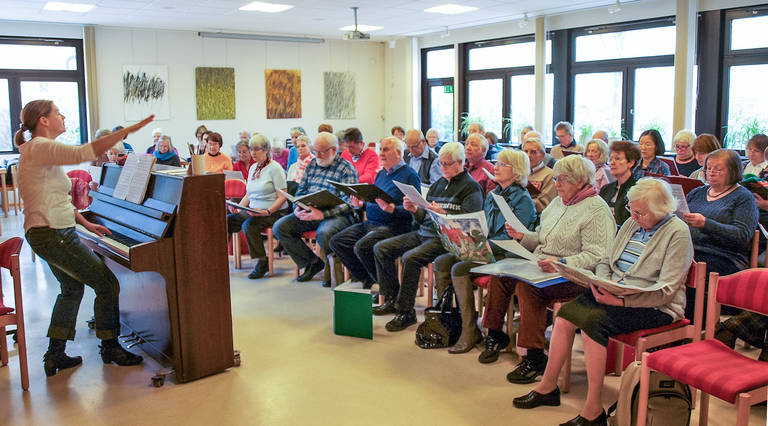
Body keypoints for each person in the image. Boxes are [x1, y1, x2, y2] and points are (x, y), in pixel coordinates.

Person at [513, 178, 693, 426]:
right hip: (614, 292)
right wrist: (603, 283)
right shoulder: (631, 223)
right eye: (632, 210)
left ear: (661, 210)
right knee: (565, 314)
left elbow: (667, 290)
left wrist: (621, 302)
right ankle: (548, 386)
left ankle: (593, 409)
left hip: (653, 305)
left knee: (592, 324)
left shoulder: (678, 233)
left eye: (640, 212)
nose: (634, 217)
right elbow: (607, 260)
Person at [15, 100, 152, 376]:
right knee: (107, 284)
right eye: (57, 112)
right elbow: (83, 153)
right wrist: (127, 131)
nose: (62, 116)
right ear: (43, 120)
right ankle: (110, 347)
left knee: (72, 288)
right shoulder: (40, 146)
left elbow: (57, 199)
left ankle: (55, 354)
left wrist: (87, 223)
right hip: (53, 233)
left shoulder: (37, 151)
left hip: (48, 231)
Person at [481, 155, 615, 376]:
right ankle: (495, 334)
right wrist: (523, 237)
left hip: (575, 274)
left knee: (529, 288)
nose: (557, 184)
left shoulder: (596, 209)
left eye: (563, 179)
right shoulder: (557, 202)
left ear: (581, 180)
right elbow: (542, 238)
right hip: (544, 264)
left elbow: (598, 256)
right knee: (501, 274)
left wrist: (561, 262)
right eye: (555, 179)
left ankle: (534, 358)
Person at [435, 149, 537, 354]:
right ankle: (449, 322)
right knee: (443, 261)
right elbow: (484, 227)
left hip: (507, 254)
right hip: (488, 247)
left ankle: (469, 330)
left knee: (460, 268)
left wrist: (486, 244)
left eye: (502, 164)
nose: (495, 167)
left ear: (516, 172)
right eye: (496, 163)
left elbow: (518, 238)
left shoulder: (523, 199)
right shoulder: (493, 194)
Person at [373, 142, 483, 332]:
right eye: (441, 163)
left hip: (446, 238)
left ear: (461, 163)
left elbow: (471, 225)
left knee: (410, 258)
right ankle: (391, 298)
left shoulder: (471, 188)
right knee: (381, 248)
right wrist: (415, 209)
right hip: (425, 232)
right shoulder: (439, 183)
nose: (443, 168)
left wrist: (445, 215)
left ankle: (406, 312)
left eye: (447, 164)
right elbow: (423, 217)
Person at [329, 137, 421, 289]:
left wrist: (393, 209)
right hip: (372, 223)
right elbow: (375, 201)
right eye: (380, 149)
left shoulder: (409, 175)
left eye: (386, 149)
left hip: (393, 226)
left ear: (398, 153)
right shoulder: (381, 174)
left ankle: (389, 289)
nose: (381, 153)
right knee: (337, 242)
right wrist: (361, 204)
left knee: (362, 246)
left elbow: (414, 210)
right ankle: (369, 278)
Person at [273, 132, 359, 286]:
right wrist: (297, 207)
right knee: (280, 227)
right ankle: (312, 263)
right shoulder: (313, 164)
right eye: (315, 151)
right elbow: (301, 190)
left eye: (321, 152)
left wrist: (322, 214)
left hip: (337, 215)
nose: (317, 155)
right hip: (310, 210)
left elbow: (349, 204)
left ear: (333, 150)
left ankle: (332, 271)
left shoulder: (347, 169)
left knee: (324, 233)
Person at [683, 149, 758, 320]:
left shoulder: (743, 197)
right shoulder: (698, 192)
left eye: (718, 169)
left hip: (725, 257)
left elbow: (741, 235)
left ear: (732, 171)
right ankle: (666, 324)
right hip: (691, 251)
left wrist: (706, 224)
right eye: (708, 168)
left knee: (690, 268)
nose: (711, 172)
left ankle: (696, 326)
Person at [227, 135, 291, 279]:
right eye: (251, 149)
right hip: (254, 210)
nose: (253, 153)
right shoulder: (254, 167)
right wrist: (239, 207)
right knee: (228, 220)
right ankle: (219, 258)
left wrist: (267, 211)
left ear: (266, 150)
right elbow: (249, 194)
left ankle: (262, 262)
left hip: (275, 212)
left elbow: (283, 196)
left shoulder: (275, 168)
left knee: (249, 225)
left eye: (257, 149)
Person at [599, 141, 641, 227]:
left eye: (617, 159)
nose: (612, 163)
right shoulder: (606, 189)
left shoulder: (637, 190)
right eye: (610, 159)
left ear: (631, 163)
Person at [522, 137, 557, 214]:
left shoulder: (549, 175)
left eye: (533, 152)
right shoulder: (519, 173)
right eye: (525, 151)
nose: (528, 155)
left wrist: (520, 201)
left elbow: (545, 205)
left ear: (542, 155)